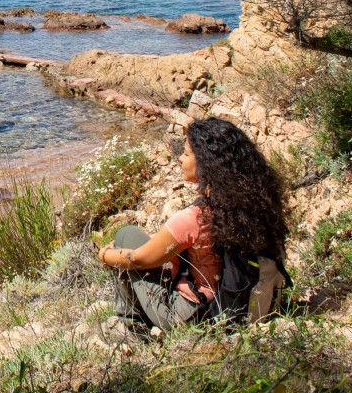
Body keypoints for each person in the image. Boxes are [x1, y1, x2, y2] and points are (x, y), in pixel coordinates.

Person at [98, 117, 288, 332]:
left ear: (206, 164)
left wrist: (106, 255)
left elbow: (141, 260)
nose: (180, 158)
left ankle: (131, 324)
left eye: (187, 154)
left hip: (193, 315)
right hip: (237, 304)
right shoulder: (251, 205)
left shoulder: (195, 217)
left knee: (126, 235)